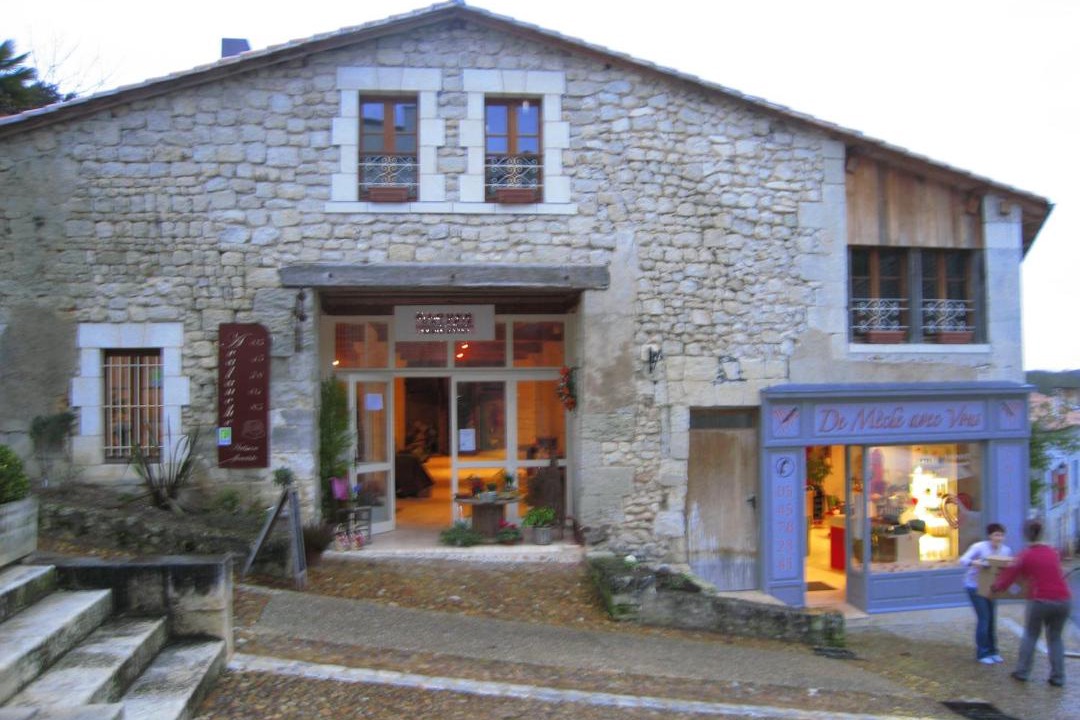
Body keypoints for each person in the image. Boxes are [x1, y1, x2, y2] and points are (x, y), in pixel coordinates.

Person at [991, 519, 1072, 687]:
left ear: (1026, 535)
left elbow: (1009, 575)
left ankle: (1022, 672)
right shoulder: (1053, 552)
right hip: (1063, 599)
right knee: (1055, 638)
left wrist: (996, 587)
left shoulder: (1025, 555)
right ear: (1042, 533)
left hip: (1040, 600)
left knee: (1031, 635)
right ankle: (1058, 677)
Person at [958, 523, 1011, 664]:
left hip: (991, 587)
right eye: (996, 535)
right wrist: (977, 563)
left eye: (1001, 535)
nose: (999, 538)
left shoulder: (1005, 550)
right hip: (974, 586)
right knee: (984, 618)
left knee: (992, 618)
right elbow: (963, 560)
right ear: (990, 536)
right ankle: (982, 653)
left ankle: (993, 651)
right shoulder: (979, 547)